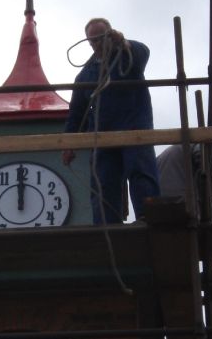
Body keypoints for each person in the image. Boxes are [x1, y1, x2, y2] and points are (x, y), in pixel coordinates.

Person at [62, 18, 160, 224]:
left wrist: (123, 42)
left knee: (140, 171)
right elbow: (76, 113)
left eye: (102, 37)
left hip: (134, 129)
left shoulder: (128, 56)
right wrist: (69, 143)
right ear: (89, 42)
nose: (98, 43)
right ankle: (107, 225)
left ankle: (149, 217)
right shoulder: (85, 75)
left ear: (111, 34)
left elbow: (143, 52)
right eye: (93, 40)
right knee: (104, 182)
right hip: (102, 136)